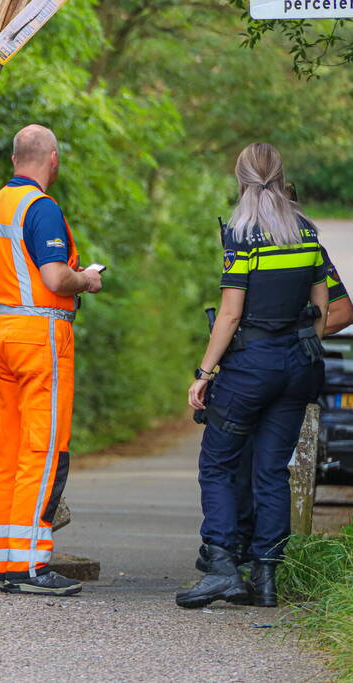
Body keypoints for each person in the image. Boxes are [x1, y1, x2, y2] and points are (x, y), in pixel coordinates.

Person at [177, 142, 328, 609]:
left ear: (240, 179)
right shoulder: (305, 231)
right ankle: (265, 579)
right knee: (270, 472)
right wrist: (302, 343)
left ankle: (222, 566)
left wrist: (204, 373)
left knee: (218, 463)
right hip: (298, 366)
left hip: (251, 366)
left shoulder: (241, 234)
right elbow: (322, 308)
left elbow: (229, 314)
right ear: (281, 177)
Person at [0, 124, 102, 596]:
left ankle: (1, 563)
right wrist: (86, 279)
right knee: (44, 449)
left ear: (14, 159)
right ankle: (30, 566)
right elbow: (54, 276)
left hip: (2, 328)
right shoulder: (41, 208)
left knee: (7, 449)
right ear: (51, 159)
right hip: (41, 334)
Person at [198, 248, 351, 582]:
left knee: (230, 465)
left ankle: (232, 556)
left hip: (256, 372)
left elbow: (341, 311)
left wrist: (287, 340)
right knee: (260, 470)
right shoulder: (295, 246)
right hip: (278, 372)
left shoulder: (289, 248)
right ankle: (259, 567)